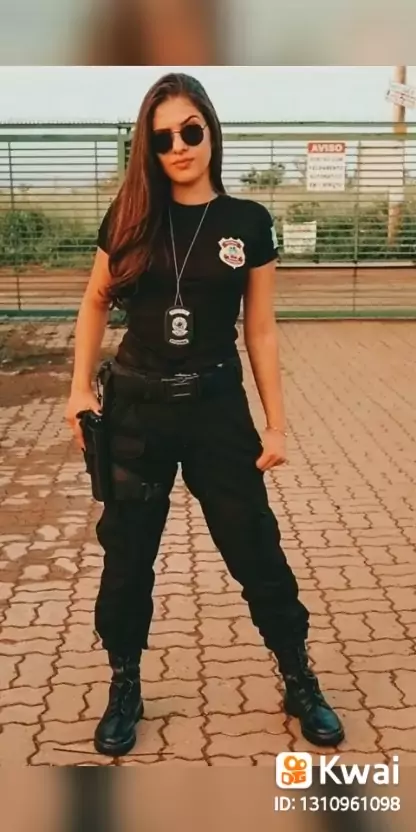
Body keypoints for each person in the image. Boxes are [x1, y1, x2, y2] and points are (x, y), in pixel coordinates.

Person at [65, 72, 344, 757]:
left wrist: (276, 424)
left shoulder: (247, 222)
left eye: (190, 131)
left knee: (255, 546)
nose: (180, 147)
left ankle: (298, 676)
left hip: (217, 409)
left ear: (211, 130)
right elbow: (95, 302)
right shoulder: (130, 217)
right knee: (128, 556)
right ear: (149, 148)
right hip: (136, 411)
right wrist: (78, 390)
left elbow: (262, 330)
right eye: (163, 139)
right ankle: (125, 684)